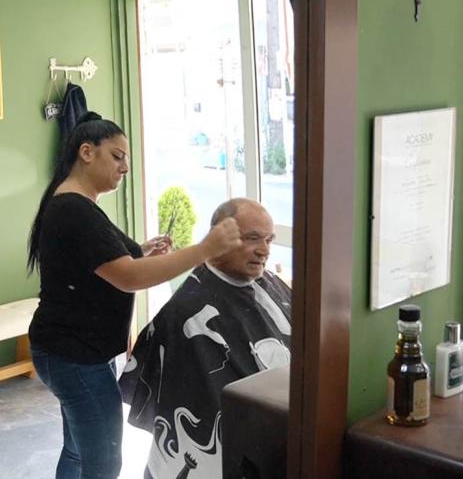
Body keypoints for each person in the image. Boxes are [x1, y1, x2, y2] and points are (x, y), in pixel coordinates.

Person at [26, 112, 242, 479]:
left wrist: (140, 251)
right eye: (117, 156)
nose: (125, 167)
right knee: (103, 462)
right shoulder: (74, 210)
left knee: (77, 452)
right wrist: (204, 249)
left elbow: (98, 265)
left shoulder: (74, 204)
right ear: (87, 152)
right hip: (74, 356)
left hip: (68, 350)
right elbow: (128, 278)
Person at [118, 198, 292, 479]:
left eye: (269, 240)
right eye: (252, 238)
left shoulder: (271, 284)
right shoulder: (184, 314)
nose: (264, 250)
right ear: (217, 237)